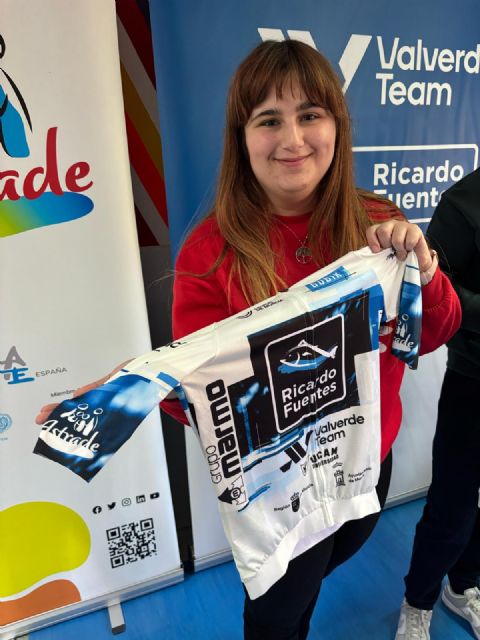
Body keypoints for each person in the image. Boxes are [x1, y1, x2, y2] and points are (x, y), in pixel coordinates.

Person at [37, 40, 461, 639]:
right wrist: (132, 390)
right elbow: (196, 392)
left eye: (310, 115)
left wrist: (423, 268)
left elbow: (436, 331)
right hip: (277, 489)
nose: (293, 139)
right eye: (269, 120)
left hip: (368, 462)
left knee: (308, 587)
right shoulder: (210, 254)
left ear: (337, 127)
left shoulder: (376, 223)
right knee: (276, 616)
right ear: (242, 137)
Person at [395, 168, 480, 640]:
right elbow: (436, 293)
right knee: (453, 505)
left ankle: (464, 586)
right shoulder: (465, 202)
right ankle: (418, 601)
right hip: (474, 379)